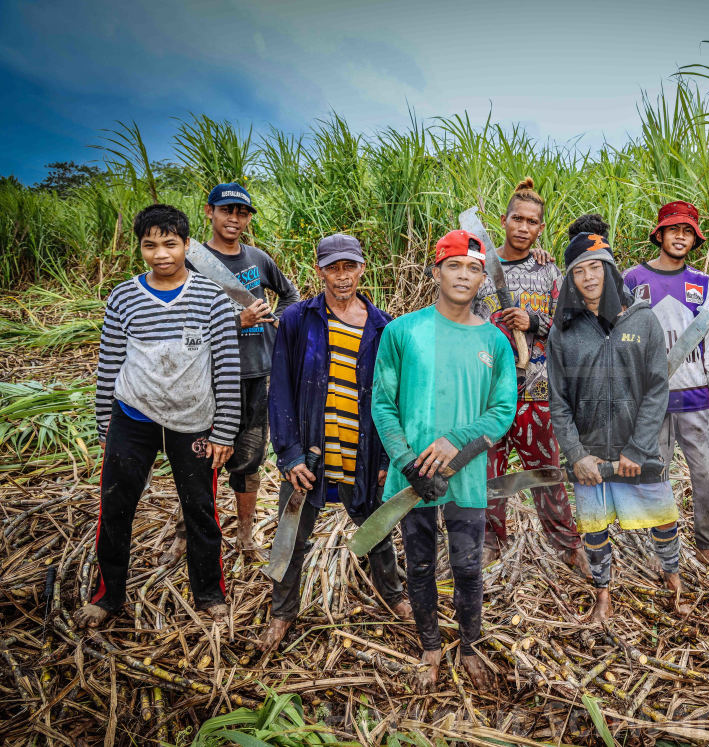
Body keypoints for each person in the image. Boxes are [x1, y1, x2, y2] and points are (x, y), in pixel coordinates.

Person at [76, 204, 239, 629]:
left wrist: (224, 430)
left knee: (200, 507)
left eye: (170, 243)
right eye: (150, 245)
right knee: (115, 507)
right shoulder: (124, 297)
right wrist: (104, 424)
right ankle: (107, 596)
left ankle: (208, 593)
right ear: (141, 248)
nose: (161, 253)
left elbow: (227, 367)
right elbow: (109, 363)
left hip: (193, 420)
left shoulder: (211, 297)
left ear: (188, 244)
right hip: (133, 416)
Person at [372, 229, 516, 691]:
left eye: (474, 268)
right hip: (413, 475)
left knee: (468, 565)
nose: (463, 275)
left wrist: (457, 441)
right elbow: (383, 403)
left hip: (467, 476)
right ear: (437, 271)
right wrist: (407, 460)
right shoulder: (402, 332)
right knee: (418, 565)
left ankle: (470, 645)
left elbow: (502, 411)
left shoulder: (495, 342)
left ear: (482, 279)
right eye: (454, 265)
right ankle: (431, 648)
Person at [260, 234, 409, 651]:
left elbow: (389, 398)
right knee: (291, 532)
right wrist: (288, 453)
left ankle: (394, 597)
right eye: (333, 268)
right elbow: (282, 390)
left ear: (362, 268)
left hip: (359, 448)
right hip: (309, 448)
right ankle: (282, 613)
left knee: (376, 525)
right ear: (320, 271)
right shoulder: (298, 319)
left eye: (349, 267)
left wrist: (384, 458)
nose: (342, 276)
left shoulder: (383, 327)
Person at [548, 232, 685, 622]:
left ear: (610, 270)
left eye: (596, 267)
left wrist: (638, 449)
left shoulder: (642, 321)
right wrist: (576, 456)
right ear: (570, 279)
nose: (589, 278)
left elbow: (657, 389)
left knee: (663, 518)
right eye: (579, 271)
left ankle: (674, 582)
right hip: (590, 455)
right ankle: (603, 597)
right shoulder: (565, 330)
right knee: (594, 528)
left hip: (636, 451)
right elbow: (558, 401)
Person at [164, 183, 299, 562]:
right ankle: (184, 533)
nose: (234, 219)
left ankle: (245, 538)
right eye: (227, 211)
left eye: (242, 213)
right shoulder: (191, 262)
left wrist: (279, 323)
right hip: (205, 378)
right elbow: (177, 325)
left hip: (257, 374)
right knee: (197, 459)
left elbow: (290, 296)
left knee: (248, 461)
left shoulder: (257, 259)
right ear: (210, 212)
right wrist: (235, 321)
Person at [474, 179, 585, 576]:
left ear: (541, 229)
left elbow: (570, 331)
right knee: (489, 473)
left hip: (537, 392)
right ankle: (489, 542)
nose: (523, 227)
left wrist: (533, 320)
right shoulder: (480, 270)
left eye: (532, 222)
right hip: (489, 394)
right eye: (517, 219)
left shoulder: (549, 271)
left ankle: (567, 545)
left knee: (546, 474)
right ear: (502, 220)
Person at [622, 201, 709, 576]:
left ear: (694, 239)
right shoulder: (633, 280)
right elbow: (622, 342)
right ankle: (661, 548)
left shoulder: (702, 283)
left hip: (695, 396)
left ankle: (707, 544)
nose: (680, 237)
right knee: (656, 473)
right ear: (660, 235)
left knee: (707, 474)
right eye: (674, 230)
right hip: (650, 400)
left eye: (688, 232)